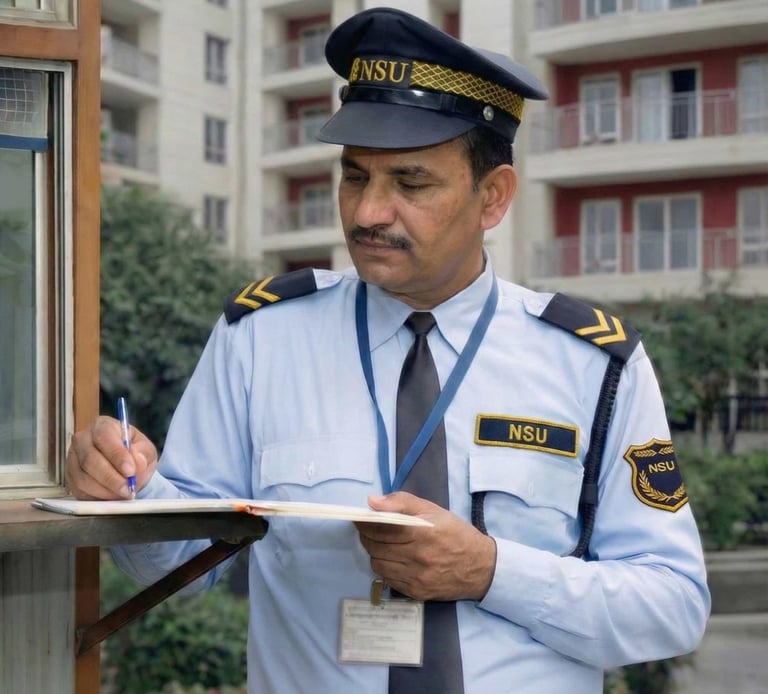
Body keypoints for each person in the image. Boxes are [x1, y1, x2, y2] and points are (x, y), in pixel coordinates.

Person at [67, 7, 710, 694]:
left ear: (492, 197)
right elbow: (184, 563)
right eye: (354, 177)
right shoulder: (261, 337)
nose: (369, 212)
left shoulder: (592, 363)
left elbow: (672, 607)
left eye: (410, 183)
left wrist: (491, 572)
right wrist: (128, 489)